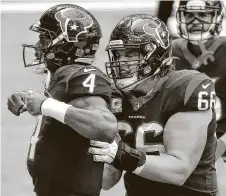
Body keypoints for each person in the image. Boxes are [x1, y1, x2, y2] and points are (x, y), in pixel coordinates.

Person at [88, 14, 218, 196]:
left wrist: (120, 154)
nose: (121, 62)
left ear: (155, 54)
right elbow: (107, 180)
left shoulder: (184, 87)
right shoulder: (115, 96)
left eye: (131, 53)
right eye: (118, 54)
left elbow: (179, 170)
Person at [7, 4, 118, 196]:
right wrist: (31, 98)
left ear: (67, 44)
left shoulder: (83, 75)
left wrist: (46, 105)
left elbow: (105, 126)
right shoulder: (64, 77)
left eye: (45, 37)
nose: (39, 45)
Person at [172, 0, 226, 161]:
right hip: (180, 136)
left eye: (203, 14)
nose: (195, 21)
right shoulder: (170, 51)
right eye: (189, 15)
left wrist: (220, 146)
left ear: (217, 17)